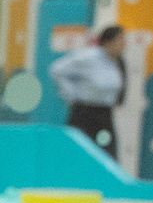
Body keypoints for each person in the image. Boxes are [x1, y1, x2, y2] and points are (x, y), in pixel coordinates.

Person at [49, 24, 127, 153]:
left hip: (105, 115)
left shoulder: (117, 62)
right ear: (109, 42)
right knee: (78, 152)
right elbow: (57, 70)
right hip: (85, 113)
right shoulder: (89, 57)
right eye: (121, 40)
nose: (124, 44)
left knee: (106, 153)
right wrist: (70, 95)